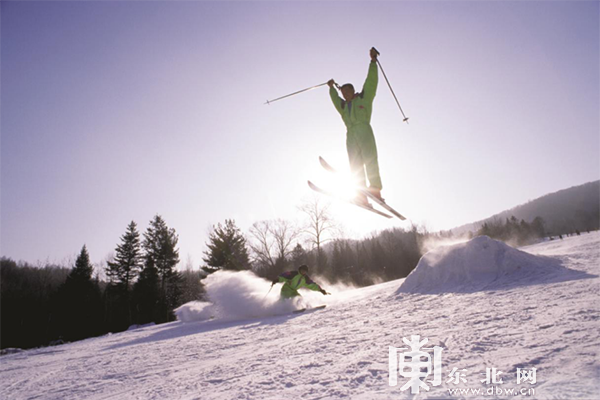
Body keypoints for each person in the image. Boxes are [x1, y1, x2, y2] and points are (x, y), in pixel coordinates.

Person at [327, 48, 383, 207]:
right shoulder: (343, 106)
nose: (344, 94)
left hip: (364, 130)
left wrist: (373, 62)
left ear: (353, 90)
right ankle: (361, 196)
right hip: (350, 135)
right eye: (342, 92)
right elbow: (335, 101)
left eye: (347, 91)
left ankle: (375, 190)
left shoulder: (364, 99)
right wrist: (331, 88)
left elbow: (371, 82)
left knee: (370, 159)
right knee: (355, 166)